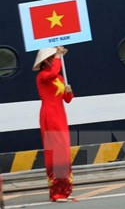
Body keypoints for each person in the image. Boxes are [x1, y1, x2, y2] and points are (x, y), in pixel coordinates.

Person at [33, 46, 74, 202]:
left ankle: (64, 190)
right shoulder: (43, 76)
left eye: (53, 57)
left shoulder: (59, 78)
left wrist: (69, 91)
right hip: (49, 116)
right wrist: (58, 54)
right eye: (50, 57)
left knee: (63, 151)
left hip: (60, 116)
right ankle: (56, 192)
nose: (53, 60)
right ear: (45, 62)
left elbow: (67, 99)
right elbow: (53, 71)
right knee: (54, 153)